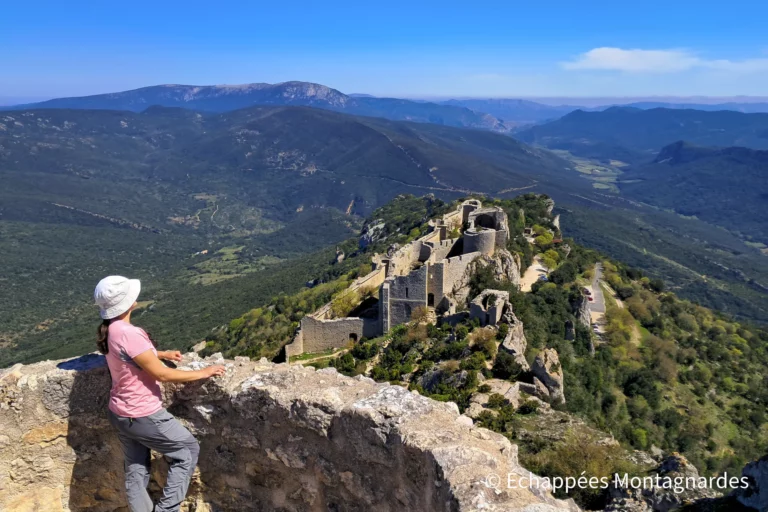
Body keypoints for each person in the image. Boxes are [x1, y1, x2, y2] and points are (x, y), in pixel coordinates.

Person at [94, 275, 225, 512]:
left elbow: (129, 356)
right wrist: (203, 372)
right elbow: (162, 375)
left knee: (135, 470)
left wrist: (160, 354)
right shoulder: (129, 333)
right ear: (128, 302)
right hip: (142, 414)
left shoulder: (111, 329)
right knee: (187, 451)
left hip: (119, 412)